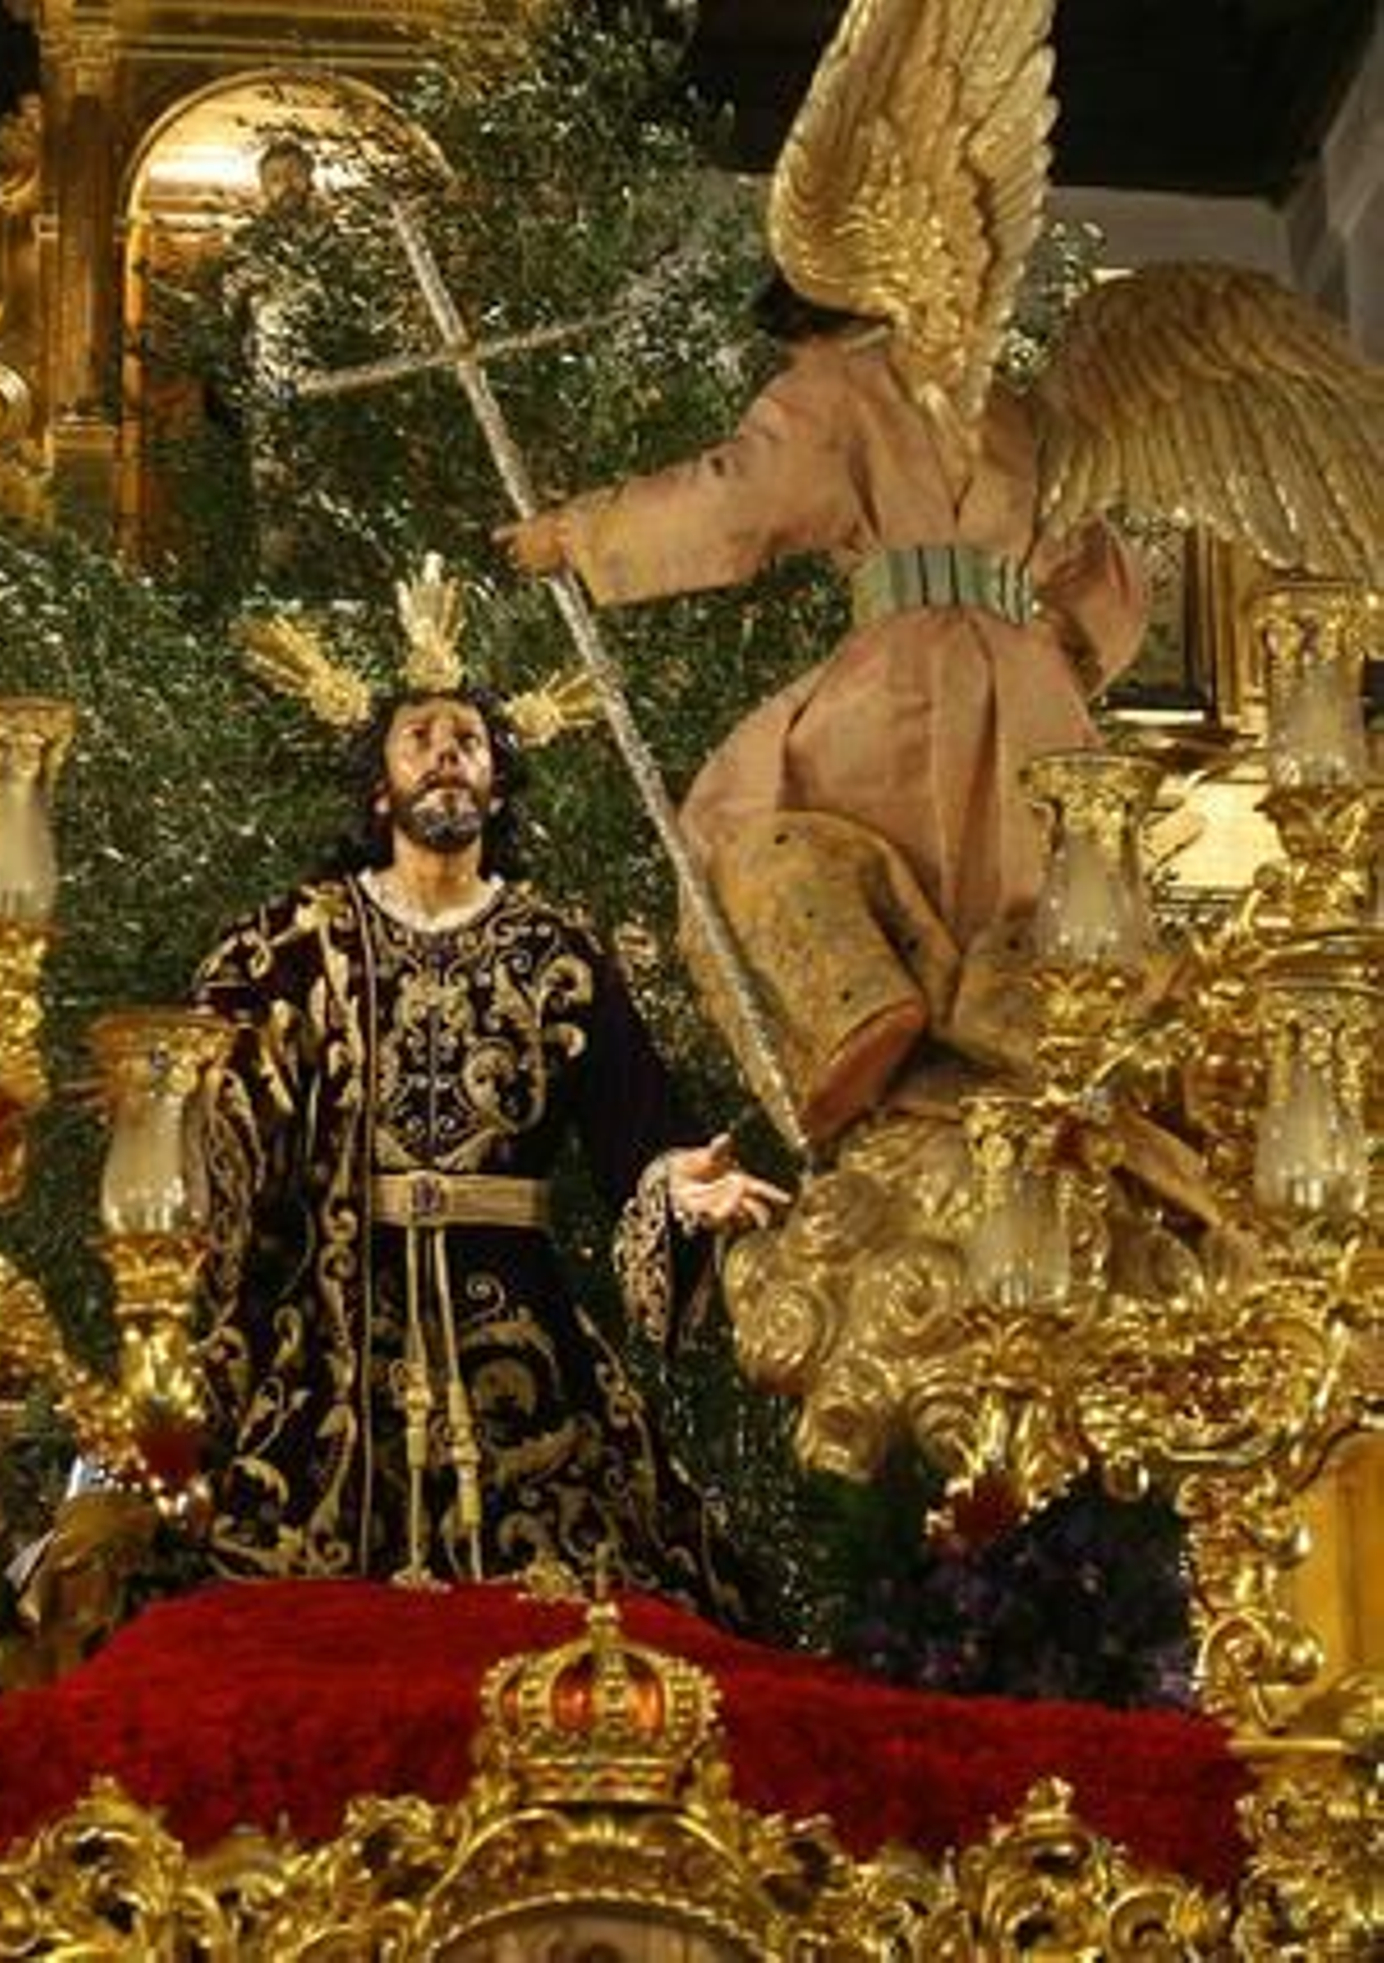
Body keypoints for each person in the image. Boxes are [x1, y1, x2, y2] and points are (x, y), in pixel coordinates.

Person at [501, 274, 1150, 1144]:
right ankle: (1017, 1064)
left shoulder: (845, 386)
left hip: (903, 677)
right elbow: (1112, 584)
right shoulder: (1020, 413)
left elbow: (737, 498)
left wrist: (580, 534)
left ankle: (861, 1010)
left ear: (817, 330)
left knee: (737, 826)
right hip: (1039, 700)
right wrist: (1051, 669)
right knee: (1030, 898)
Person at [194, 684, 787, 1621]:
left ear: (496, 786)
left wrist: (677, 1186)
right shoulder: (298, 940)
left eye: (467, 740)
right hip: (342, 1319)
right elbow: (219, 1085)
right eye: (419, 739)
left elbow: (634, 1122)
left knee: (600, 1589)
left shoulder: (559, 948)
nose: (444, 754)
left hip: (517, 1312)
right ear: (380, 791)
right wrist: (173, 1103)